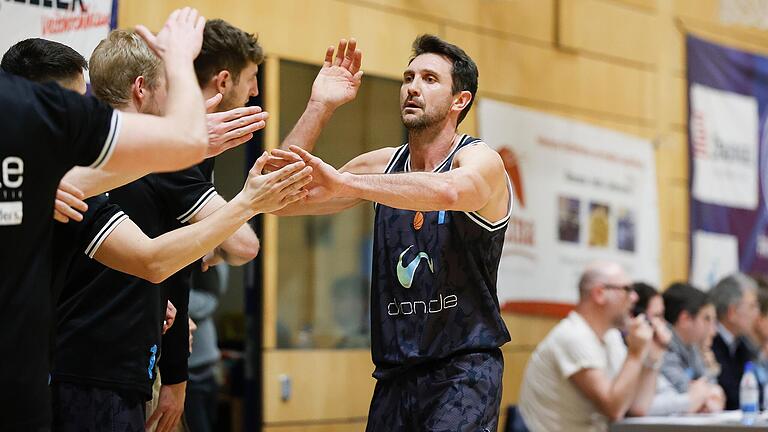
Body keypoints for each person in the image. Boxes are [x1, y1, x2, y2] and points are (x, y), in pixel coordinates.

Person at [51, 22, 362, 432]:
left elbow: (167, 258)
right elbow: (183, 255)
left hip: (118, 365)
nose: (255, 92)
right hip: (94, 373)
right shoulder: (132, 156)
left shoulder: (132, 158)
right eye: (252, 80)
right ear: (144, 89)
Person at [269, 34, 511, 431]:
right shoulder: (384, 164)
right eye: (408, 77)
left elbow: (452, 191)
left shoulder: (480, 158)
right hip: (395, 375)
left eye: (430, 79)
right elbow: (278, 198)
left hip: (463, 370)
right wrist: (320, 106)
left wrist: (348, 185)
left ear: (459, 101)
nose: (413, 87)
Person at [0, 8, 214, 431]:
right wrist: (177, 58)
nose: (87, 107)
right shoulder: (39, 127)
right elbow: (187, 141)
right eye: (78, 100)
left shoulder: (60, 182)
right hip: (67, 383)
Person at [518, 262, 664, 432]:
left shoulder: (611, 337)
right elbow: (614, 409)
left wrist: (653, 357)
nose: (634, 297)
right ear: (600, 293)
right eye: (627, 290)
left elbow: (637, 408)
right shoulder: (573, 336)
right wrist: (635, 354)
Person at [647, 283, 725, 414]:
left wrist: (708, 392)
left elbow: (711, 389)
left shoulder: (692, 347)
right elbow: (684, 391)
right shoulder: (662, 343)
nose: (713, 329)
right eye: (706, 319)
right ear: (685, 319)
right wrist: (703, 395)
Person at [709, 272, 761, 410]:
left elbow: (758, 392)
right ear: (732, 312)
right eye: (752, 306)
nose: (757, 313)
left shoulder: (744, 345)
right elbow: (730, 396)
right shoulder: (709, 342)